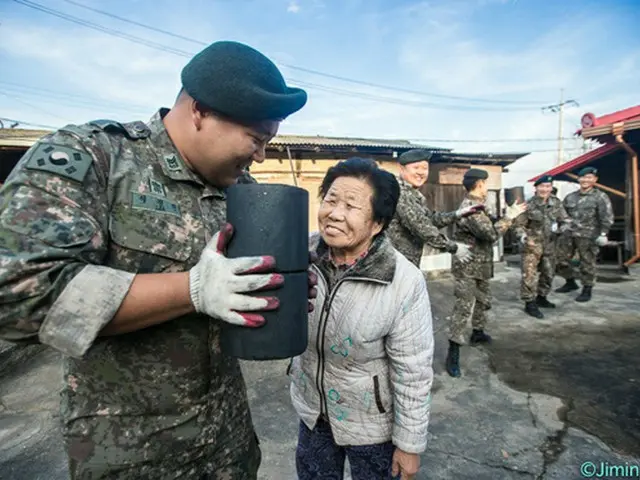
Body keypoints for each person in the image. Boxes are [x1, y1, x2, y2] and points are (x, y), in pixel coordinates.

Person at [0, 40, 317, 479]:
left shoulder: (240, 189)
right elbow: (18, 295)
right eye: (256, 139)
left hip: (228, 445)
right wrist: (191, 290)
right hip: (132, 455)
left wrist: (272, 291)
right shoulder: (97, 157)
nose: (260, 155)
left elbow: (236, 284)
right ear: (201, 111)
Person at [289, 157, 434, 480]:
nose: (335, 214)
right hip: (314, 414)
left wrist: (409, 445)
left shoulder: (403, 281)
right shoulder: (298, 254)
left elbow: (414, 370)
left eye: (352, 206)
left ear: (377, 223)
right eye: (331, 199)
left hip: (372, 426)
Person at [446, 168, 527, 377]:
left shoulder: (481, 206)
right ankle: (453, 353)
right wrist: (509, 218)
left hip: (481, 264)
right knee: (463, 307)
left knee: (483, 300)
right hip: (468, 266)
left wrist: (504, 216)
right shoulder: (471, 208)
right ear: (479, 184)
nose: (487, 187)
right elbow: (490, 234)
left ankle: (478, 332)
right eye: (485, 184)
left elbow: (491, 222)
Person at [386, 149, 483, 268]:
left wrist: (458, 214)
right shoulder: (400, 192)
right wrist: (454, 247)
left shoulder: (412, 193)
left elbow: (430, 219)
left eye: (425, 168)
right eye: (416, 168)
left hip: (405, 264)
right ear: (401, 169)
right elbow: (422, 228)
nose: (421, 172)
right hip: (395, 265)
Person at [512, 176, 571, 318]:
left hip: (550, 245)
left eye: (548, 186)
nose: (545, 189)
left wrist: (561, 228)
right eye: (542, 186)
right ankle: (529, 303)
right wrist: (523, 236)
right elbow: (518, 225)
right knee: (529, 275)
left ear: (551, 188)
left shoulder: (556, 203)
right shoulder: (528, 205)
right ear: (536, 188)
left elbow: (565, 220)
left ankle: (542, 297)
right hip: (532, 246)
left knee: (548, 273)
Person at [555, 166, 614, 302]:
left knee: (587, 263)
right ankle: (570, 282)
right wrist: (558, 225)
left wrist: (604, 233)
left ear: (595, 179)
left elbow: (607, 217)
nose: (585, 180)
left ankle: (587, 288)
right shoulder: (571, 197)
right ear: (579, 179)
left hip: (589, 236)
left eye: (589, 178)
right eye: (583, 177)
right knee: (560, 259)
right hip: (568, 234)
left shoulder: (600, 197)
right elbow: (562, 214)